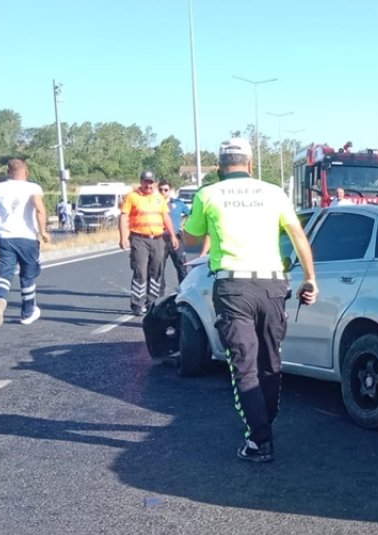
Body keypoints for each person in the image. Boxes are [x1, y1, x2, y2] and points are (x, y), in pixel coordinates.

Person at [182, 138, 318, 463]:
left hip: (233, 287)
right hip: (273, 284)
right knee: (270, 362)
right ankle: (263, 425)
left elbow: (190, 239)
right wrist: (311, 278)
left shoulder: (208, 194)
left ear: (218, 168)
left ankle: (260, 439)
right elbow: (298, 235)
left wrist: (196, 227)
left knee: (244, 364)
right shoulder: (273, 192)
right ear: (251, 165)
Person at [0, 159, 50, 327]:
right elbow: (39, 208)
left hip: (4, 237)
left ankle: (0, 299)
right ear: (26, 172)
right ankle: (28, 312)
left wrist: (4, 219)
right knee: (28, 275)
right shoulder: (32, 188)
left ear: (9, 172)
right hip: (27, 237)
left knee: (4, 273)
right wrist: (43, 231)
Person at [120, 170, 178, 315]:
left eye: (151, 182)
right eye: (146, 182)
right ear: (141, 182)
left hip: (158, 239)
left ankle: (152, 302)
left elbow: (166, 218)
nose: (148, 185)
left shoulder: (159, 198)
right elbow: (123, 217)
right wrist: (123, 237)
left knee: (156, 270)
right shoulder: (132, 197)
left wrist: (173, 236)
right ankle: (137, 304)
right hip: (139, 239)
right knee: (140, 271)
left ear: (154, 183)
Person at [158, 180, 189, 284]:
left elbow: (191, 214)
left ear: (169, 190)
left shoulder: (178, 204)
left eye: (165, 190)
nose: (163, 192)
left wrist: (184, 225)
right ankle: (156, 290)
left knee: (181, 265)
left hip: (175, 238)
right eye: (160, 190)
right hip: (159, 239)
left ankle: (184, 289)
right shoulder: (153, 204)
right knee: (158, 266)